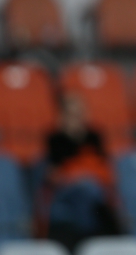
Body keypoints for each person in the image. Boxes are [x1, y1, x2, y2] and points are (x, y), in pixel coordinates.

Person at [38, 94, 120, 249]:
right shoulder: (55, 139)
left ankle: (89, 241)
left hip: (94, 186)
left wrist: (87, 175)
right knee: (87, 190)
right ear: (63, 115)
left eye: (80, 113)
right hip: (66, 190)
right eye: (72, 114)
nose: (77, 118)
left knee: (90, 191)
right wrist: (77, 176)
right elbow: (52, 175)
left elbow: (105, 167)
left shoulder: (94, 136)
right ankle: (90, 238)